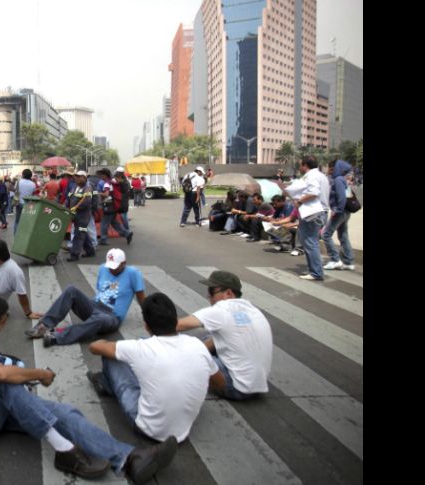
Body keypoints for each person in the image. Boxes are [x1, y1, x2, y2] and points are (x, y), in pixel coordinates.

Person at [0, 293, 179, 483]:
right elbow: (0, 374)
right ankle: (64, 450)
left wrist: (22, 374)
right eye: (2, 321)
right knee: (5, 382)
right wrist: (39, 374)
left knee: (64, 413)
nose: (6, 323)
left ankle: (130, 458)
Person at [87, 292, 219, 442]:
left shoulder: (141, 348)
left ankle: (105, 384)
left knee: (111, 357)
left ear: (147, 326)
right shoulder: (197, 345)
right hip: (183, 431)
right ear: (176, 321)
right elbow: (219, 381)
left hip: (148, 429)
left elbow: (94, 347)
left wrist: (108, 343)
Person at [176, 271, 273, 400]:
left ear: (228, 293)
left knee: (189, 353)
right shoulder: (253, 310)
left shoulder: (222, 309)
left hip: (235, 387)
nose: (208, 297)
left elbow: (176, 325)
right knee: (211, 338)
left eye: (211, 292)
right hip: (257, 386)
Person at [27, 248, 145, 347]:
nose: (111, 269)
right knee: (71, 290)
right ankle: (44, 325)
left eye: (115, 267)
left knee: (101, 319)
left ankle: (56, 337)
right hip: (95, 305)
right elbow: (100, 291)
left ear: (124, 263)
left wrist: (149, 318)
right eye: (110, 266)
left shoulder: (133, 273)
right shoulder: (104, 268)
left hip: (111, 316)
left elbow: (141, 298)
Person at [280, 155, 330, 280]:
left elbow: (314, 192)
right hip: (319, 212)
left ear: (305, 165)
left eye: (301, 165)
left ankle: (316, 273)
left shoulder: (312, 176)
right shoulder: (321, 176)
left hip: (313, 213)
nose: (300, 168)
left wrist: (300, 201)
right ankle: (314, 270)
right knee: (310, 242)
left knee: (310, 242)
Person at [322, 159, 356, 271]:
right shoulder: (342, 179)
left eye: (329, 167)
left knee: (326, 234)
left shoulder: (337, 180)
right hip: (345, 212)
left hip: (340, 212)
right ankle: (348, 261)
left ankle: (335, 260)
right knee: (343, 236)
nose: (327, 170)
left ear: (333, 168)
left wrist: (336, 210)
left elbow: (341, 197)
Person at [65, 170, 96, 262]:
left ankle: (74, 254)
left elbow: (86, 201)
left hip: (83, 215)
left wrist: (75, 208)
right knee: (82, 233)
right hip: (75, 215)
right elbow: (69, 198)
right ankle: (90, 251)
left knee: (79, 234)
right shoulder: (74, 187)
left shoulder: (88, 187)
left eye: (79, 176)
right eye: (76, 176)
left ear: (84, 178)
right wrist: (66, 207)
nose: (77, 178)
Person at [14, 169, 37, 235]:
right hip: (28, 204)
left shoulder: (18, 182)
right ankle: (25, 234)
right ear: (30, 176)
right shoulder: (33, 184)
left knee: (17, 221)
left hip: (19, 203)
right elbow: (33, 194)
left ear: (23, 174)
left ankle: (16, 235)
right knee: (27, 220)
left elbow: (16, 191)